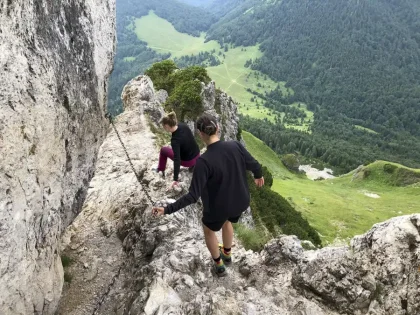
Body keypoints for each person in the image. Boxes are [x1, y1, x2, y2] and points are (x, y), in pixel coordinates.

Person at [152, 114, 264, 277]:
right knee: (227, 221)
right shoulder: (235, 145)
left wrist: (166, 209)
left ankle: (219, 265)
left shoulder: (203, 162)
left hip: (219, 208)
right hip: (241, 201)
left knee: (208, 229)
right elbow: (254, 164)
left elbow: (192, 196)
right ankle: (227, 254)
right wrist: (258, 175)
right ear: (218, 128)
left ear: (200, 134)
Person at [155, 112, 201, 190]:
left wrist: (175, 179)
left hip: (188, 162)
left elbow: (177, 160)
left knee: (163, 150)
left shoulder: (175, 140)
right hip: (197, 156)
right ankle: (193, 166)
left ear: (167, 126)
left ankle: (161, 169)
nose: (163, 128)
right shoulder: (183, 126)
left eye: (163, 126)